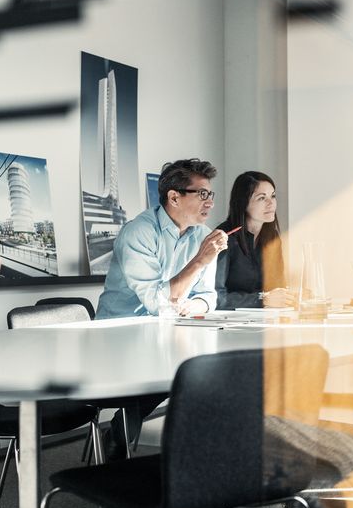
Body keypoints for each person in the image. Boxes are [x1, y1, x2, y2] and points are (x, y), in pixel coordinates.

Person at [96, 158, 228, 457]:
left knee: (211, 369)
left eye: (211, 194)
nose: (209, 202)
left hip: (166, 330)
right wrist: (200, 260)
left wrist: (189, 305)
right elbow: (157, 303)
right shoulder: (138, 232)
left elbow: (208, 296)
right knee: (190, 373)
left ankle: (202, 459)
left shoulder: (201, 235)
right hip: (120, 333)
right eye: (202, 194)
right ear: (174, 196)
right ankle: (124, 433)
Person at [215, 171, 295, 310]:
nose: (271, 204)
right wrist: (262, 299)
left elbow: (277, 287)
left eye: (273, 196)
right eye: (262, 198)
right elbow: (216, 297)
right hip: (230, 323)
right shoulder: (223, 237)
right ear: (243, 203)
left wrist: (290, 297)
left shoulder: (272, 236)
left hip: (265, 319)